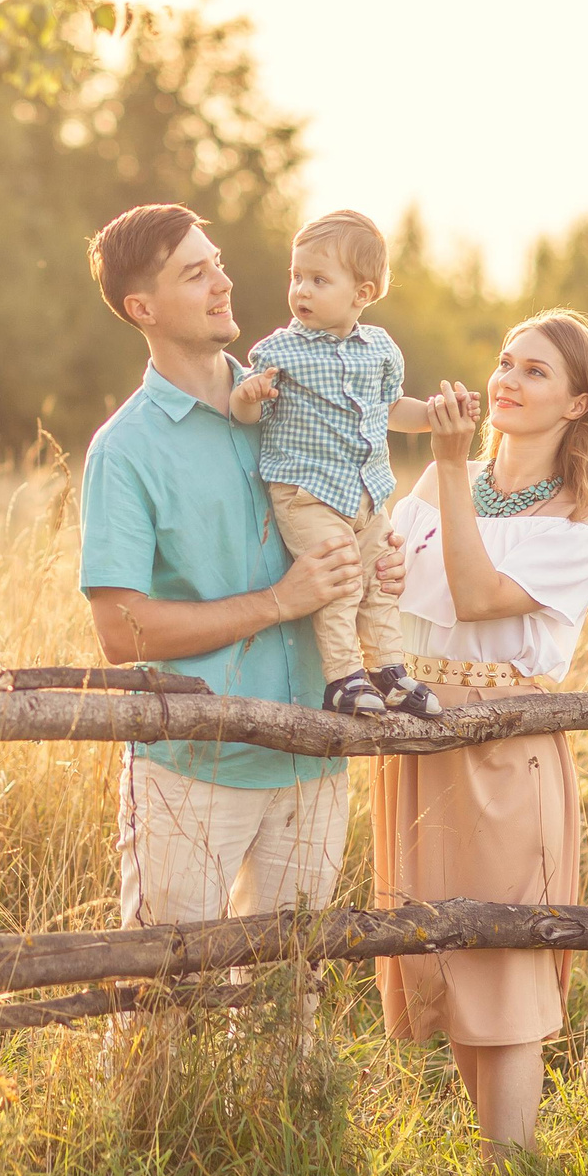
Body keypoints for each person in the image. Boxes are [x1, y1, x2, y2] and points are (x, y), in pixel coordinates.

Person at [77, 203, 401, 940]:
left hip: (316, 759)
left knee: (290, 1004)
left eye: (217, 262)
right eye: (197, 273)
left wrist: (377, 559)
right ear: (143, 307)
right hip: (192, 770)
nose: (224, 282)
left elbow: (357, 508)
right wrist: (279, 602)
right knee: (162, 1004)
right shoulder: (124, 450)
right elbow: (119, 631)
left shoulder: (293, 392)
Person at [374, 308, 588, 1154]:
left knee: (508, 958)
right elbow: (397, 583)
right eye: (504, 362)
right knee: (446, 951)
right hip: (417, 736)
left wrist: (451, 470)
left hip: (502, 743)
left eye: (534, 372)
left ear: (577, 404)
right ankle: (499, 1167)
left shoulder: (579, 523)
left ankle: (511, 1173)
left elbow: (480, 595)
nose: (506, 381)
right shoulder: (436, 485)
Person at [230, 209, 446, 719]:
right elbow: (243, 411)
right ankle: (344, 678)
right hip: (306, 492)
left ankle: (390, 672)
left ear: (362, 294)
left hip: (367, 496)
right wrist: (251, 394)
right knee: (340, 577)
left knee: (378, 580)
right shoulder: (280, 348)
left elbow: (394, 410)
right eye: (297, 276)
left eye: (318, 280)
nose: (301, 290)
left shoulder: (380, 350)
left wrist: (436, 416)